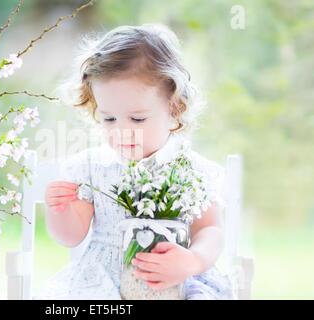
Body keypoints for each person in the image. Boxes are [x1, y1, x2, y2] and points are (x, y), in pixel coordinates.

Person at [36, 24, 233, 299]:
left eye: (137, 119)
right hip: (104, 280)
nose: (121, 131)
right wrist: (59, 210)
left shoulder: (191, 169)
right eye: (109, 118)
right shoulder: (92, 167)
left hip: (174, 277)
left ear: (174, 107)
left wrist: (193, 261)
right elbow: (71, 236)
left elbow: (210, 229)